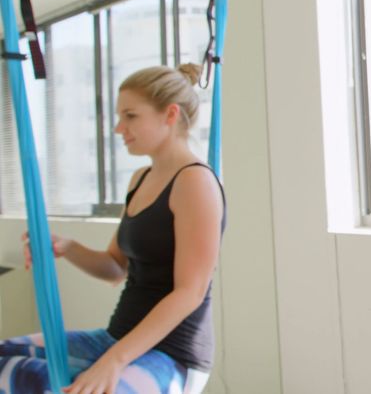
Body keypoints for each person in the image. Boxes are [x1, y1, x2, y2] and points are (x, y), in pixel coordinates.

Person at [1, 64, 225, 394]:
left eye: (131, 116)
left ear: (170, 114)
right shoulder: (140, 180)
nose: (120, 128)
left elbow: (189, 293)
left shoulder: (195, 182)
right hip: (116, 338)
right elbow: (115, 268)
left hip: (170, 354)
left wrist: (113, 362)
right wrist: (66, 247)